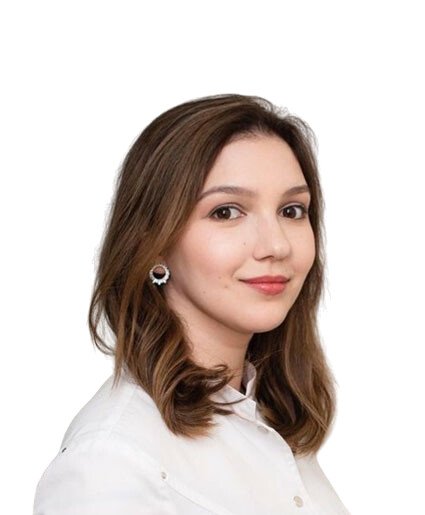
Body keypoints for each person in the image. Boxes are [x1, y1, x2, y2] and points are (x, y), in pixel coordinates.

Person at [33, 93, 351, 514]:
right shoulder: (110, 464)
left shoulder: (272, 424)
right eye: (226, 212)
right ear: (154, 243)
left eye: (291, 210)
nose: (276, 245)